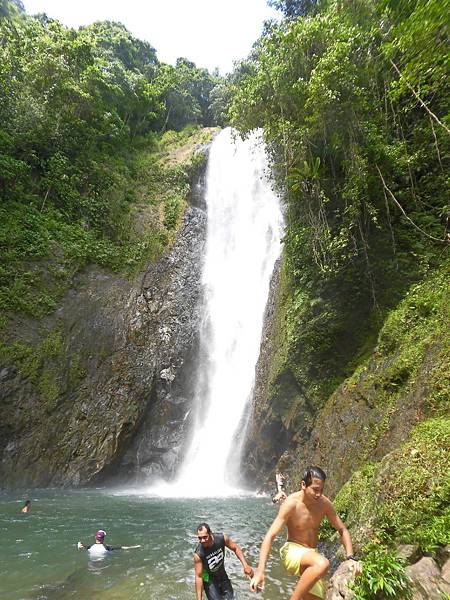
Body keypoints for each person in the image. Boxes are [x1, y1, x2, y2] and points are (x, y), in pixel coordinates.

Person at [250, 466, 361, 600]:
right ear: (303, 485)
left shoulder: (324, 504)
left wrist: (350, 557)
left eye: (321, 490)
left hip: (311, 554)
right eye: (315, 489)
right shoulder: (291, 504)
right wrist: (260, 571)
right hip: (292, 550)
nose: (318, 494)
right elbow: (270, 536)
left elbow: (342, 529)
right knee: (323, 563)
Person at [194, 522, 254, 600]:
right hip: (209, 580)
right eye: (200, 538)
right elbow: (198, 577)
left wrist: (245, 565)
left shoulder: (221, 539)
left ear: (210, 533)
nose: (202, 540)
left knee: (231, 598)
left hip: (222, 574)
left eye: (205, 537)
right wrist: (199, 599)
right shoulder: (198, 554)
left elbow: (236, 548)